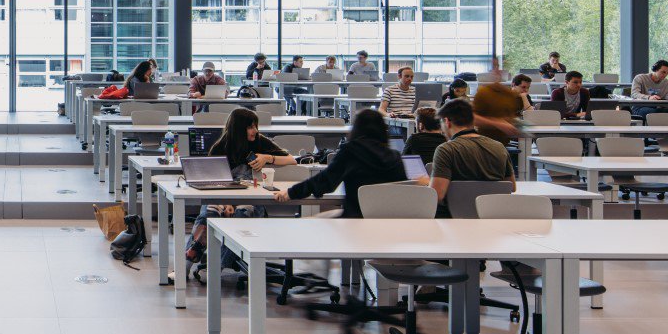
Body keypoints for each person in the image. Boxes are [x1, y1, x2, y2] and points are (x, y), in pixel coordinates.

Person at [185, 107, 298, 263]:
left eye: (255, 126)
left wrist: (267, 157)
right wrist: (227, 202)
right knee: (208, 215)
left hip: (251, 198)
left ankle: (218, 267)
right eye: (250, 127)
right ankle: (185, 265)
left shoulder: (260, 141)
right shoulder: (220, 148)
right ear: (238, 129)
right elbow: (213, 183)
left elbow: (292, 160)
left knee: (242, 214)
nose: (255, 130)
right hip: (221, 196)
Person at [275, 108, 407, 219]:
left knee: (308, 222)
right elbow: (404, 190)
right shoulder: (395, 156)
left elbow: (325, 182)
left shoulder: (351, 151)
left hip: (355, 220)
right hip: (388, 222)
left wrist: (291, 192)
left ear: (357, 128)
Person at [419, 99, 513, 216]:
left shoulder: (446, 149)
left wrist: (427, 183)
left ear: (447, 122)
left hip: (451, 219)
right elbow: (511, 186)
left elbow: (437, 195)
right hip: (492, 216)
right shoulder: (499, 147)